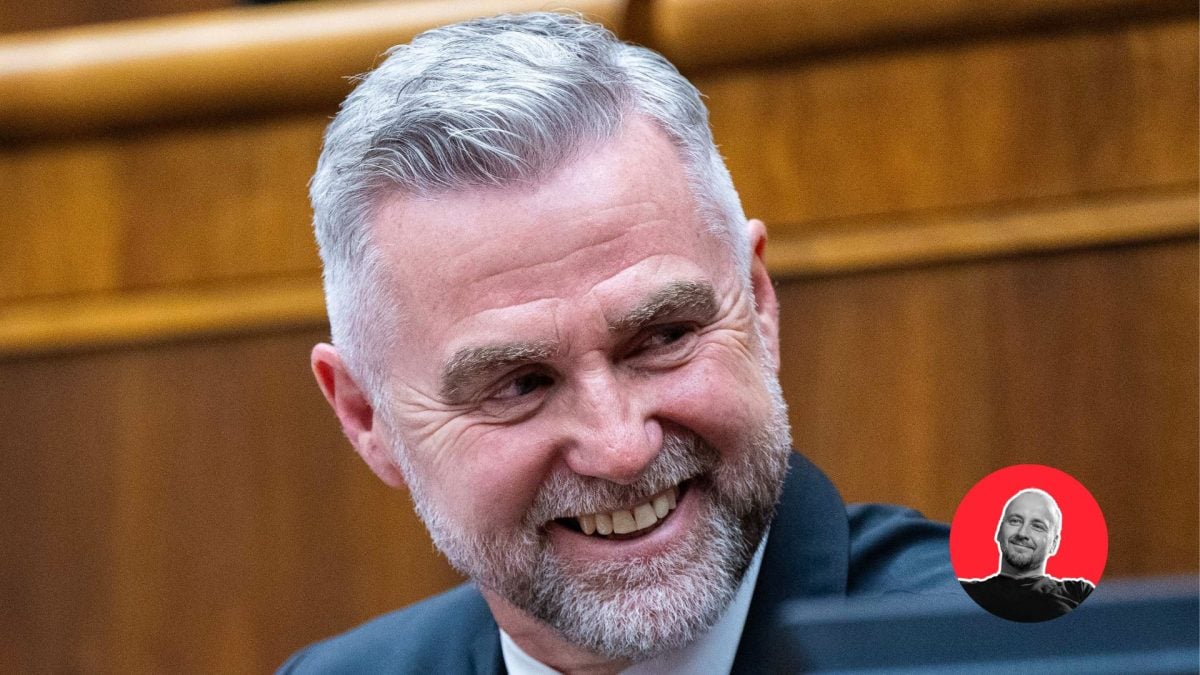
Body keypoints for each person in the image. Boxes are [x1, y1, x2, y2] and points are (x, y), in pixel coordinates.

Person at [281, 11, 957, 674]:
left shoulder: (993, 645)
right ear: (367, 418)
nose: (621, 450)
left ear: (758, 304)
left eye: (663, 338)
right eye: (520, 384)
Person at [960, 489, 1094, 622]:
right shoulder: (963, 593)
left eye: (1037, 526)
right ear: (999, 532)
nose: (1022, 533)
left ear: (1054, 544)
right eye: (1015, 521)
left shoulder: (1079, 593)